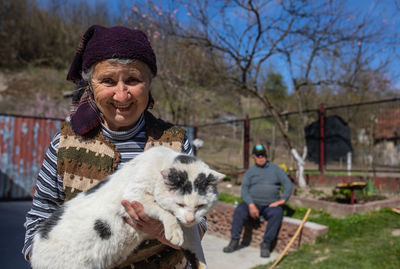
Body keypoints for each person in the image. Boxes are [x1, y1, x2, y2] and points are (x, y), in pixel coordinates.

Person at [22, 25, 206, 268]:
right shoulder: (65, 145)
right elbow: (40, 220)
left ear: (149, 83)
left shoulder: (175, 146)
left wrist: (161, 230)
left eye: (133, 80)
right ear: (90, 84)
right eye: (107, 80)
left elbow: (199, 225)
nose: (121, 95)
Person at [223, 144, 293, 258]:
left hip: (271, 205)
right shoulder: (250, 172)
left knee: (277, 213)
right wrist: (250, 204)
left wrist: (282, 200)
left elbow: (288, 184)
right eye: (258, 155)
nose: (261, 158)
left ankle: (266, 244)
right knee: (239, 211)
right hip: (252, 203)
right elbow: (244, 190)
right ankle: (234, 241)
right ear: (254, 157)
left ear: (266, 156)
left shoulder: (276, 170)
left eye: (263, 155)